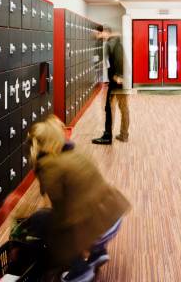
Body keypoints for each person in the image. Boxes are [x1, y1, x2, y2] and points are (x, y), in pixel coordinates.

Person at [27, 115, 131, 282]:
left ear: (37, 146)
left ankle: (79, 271)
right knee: (79, 214)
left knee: (45, 221)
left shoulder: (49, 165)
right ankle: (98, 253)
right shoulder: (73, 152)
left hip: (99, 226)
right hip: (113, 216)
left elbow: (60, 211)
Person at [92, 25, 130, 144]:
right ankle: (121, 135)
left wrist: (119, 75)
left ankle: (109, 136)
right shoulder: (112, 42)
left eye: (99, 33)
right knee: (116, 108)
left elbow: (119, 59)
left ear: (105, 32)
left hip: (117, 81)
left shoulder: (112, 43)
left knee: (114, 108)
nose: (97, 36)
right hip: (117, 81)